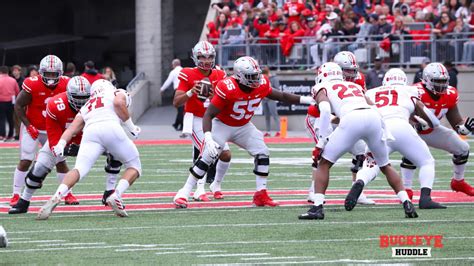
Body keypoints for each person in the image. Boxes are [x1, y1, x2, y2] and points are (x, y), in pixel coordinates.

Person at [173, 56, 315, 208]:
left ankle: (261, 194)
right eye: (251, 76)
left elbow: (281, 96)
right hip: (222, 125)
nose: (256, 79)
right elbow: (208, 114)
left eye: (257, 75)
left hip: (244, 126)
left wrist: (308, 100)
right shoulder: (227, 87)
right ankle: (184, 192)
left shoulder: (261, 84)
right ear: (240, 76)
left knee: (263, 152)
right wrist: (207, 137)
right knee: (209, 154)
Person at [299, 62, 418, 220]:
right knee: (385, 165)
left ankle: (317, 207)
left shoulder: (321, 87)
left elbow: (326, 110)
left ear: (322, 75)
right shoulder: (354, 86)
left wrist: (321, 142)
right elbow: (373, 107)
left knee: (324, 163)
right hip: (373, 118)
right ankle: (406, 202)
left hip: (352, 119)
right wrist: (385, 131)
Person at [9, 76, 121, 214]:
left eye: (84, 97)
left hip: (93, 139)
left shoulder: (98, 104)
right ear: (68, 95)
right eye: (76, 98)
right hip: (63, 138)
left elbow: (107, 126)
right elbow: (54, 139)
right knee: (38, 169)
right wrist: (65, 148)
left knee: (118, 153)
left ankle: (110, 191)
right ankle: (24, 200)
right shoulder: (55, 105)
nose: (80, 102)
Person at [37, 80, 142, 219]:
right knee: (134, 166)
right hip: (110, 127)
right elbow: (118, 103)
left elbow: (73, 128)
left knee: (79, 169)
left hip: (90, 132)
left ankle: (57, 195)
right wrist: (132, 127)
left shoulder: (87, 104)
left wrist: (61, 144)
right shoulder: (116, 92)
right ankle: (116, 195)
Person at [355, 68, 446, 210]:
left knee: (372, 164)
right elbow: (433, 121)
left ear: (385, 81)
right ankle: (425, 198)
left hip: (380, 129)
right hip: (401, 126)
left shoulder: (371, 92)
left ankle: (360, 181)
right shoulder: (410, 90)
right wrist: (429, 123)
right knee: (427, 161)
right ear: (404, 81)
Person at [10, 55, 75, 207]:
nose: (51, 77)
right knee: (26, 160)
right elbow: (18, 106)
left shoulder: (66, 84)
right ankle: (16, 194)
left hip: (53, 129)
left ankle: (67, 194)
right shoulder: (32, 84)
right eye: (48, 73)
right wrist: (28, 125)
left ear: (60, 73)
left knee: (60, 161)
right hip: (32, 126)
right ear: (41, 72)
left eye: (54, 74)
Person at [401, 62, 474, 197]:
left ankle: (458, 181)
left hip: (432, 131)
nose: (442, 85)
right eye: (437, 81)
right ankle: (406, 189)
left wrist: (464, 128)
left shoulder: (450, 93)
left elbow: (456, 122)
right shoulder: (415, 91)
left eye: (444, 81)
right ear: (427, 80)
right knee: (411, 152)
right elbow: (402, 115)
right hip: (412, 131)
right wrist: (413, 124)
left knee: (463, 148)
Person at [173, 41, 232, 202]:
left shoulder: (219, 75)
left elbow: (225, 102)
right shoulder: (187, 73)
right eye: (202, 57)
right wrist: (192, 91)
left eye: (210, 57)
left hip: (212, 119)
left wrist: (214, 95)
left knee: (225, 154)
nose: (206, 60)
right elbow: (176, 102)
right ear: (195, 57)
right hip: (195, 118)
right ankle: (199, 189)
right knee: (208, 150)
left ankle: (216, 185)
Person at [160, 59, 184, 131]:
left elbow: (168, 82)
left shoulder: (173, 72)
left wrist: (162, 89)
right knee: (182, 109)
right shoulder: (184, 70)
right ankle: (178, 124)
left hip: (177, 91)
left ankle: (179, 124)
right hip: (184, 91)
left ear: (174, 65)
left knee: (180, 109)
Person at [0, 66, 19, 141]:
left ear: (0, 72)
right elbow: (17, 91)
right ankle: (10, 135)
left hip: (1, 101)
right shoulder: (13, 80)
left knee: (2, 119)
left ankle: (2, 135)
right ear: (8, 72)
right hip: (11, 102)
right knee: (10, 119)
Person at [262, 67, 280, 137]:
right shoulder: (262, 79)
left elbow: (277, 89)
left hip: (271, 99)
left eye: (265, 75)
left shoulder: (274, 78)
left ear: (268, 73)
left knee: (275, 115)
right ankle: (268, 131)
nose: (264, 77)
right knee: (267, 116)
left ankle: (278, 131)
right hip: (264, 99)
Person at [10, 65, 23, 141]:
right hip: (12, 101)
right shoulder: (11, 79)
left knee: (19, 119)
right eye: (13, 70)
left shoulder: (23, 80)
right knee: (14, 119)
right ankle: (17, 134)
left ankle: (20, 134)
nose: (15, 72)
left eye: (16, 70)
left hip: (21, 102)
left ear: (19, 71)